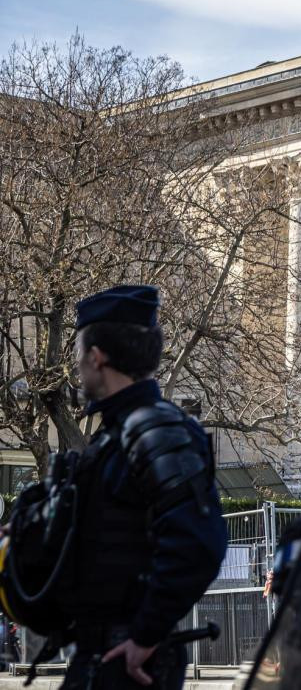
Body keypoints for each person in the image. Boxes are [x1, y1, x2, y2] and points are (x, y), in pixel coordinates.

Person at [62, 285, 228, 689]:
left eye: (79, 354)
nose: (77, 366)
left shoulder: (155, 430)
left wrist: (146, 634)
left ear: (96, 356)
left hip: (131, 659)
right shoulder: (119, 434)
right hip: (102, 651)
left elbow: (198, 543)